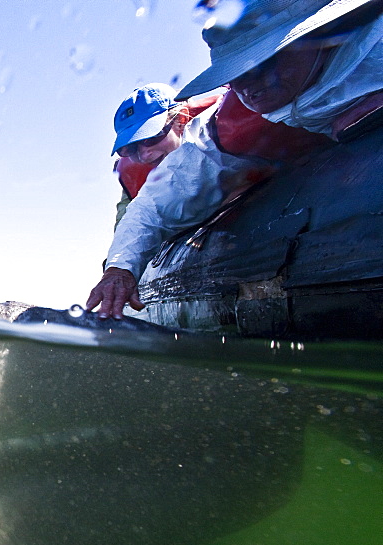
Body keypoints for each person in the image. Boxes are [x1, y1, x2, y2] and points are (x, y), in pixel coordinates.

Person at [87, 0, 383, 319]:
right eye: (234, 73)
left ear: (317, 34)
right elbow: (155, 204)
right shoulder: (225, 128)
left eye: (261, 62)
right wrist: (121, 268)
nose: (246, 86)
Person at [111, 84, 222, 228]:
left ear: (181, 121)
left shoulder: (219, 126)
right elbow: (126, 228)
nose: (144, 155)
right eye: (131, 148)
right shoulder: (134, 177)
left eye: (152, 137)